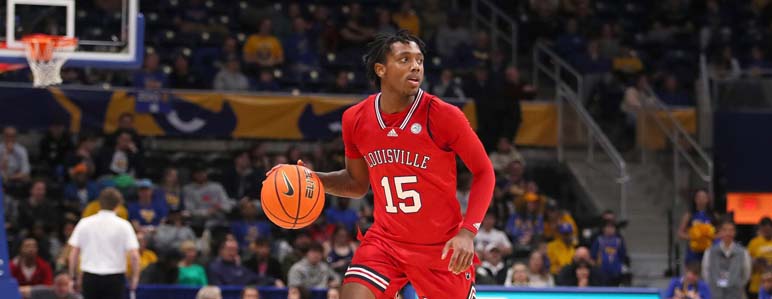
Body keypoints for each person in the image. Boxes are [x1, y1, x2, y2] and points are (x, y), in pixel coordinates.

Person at [270, 30, 495, 298]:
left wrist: (468, 233)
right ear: (381, 69)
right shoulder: (355, 119)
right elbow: (356, 184)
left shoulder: (444, 116)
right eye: (404, 59)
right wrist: (309, 178)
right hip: (386, 243)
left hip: (441, 247)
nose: (415, 66)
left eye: (420, 60)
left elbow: (485, 172)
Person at [68, 188, 140, 299]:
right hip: (115, 277)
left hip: (90, 276)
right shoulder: (124, 225)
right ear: (118, 204)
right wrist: (134, 278)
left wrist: (73, 277)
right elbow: (134, 256)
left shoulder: (84, 223)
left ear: (99, 203)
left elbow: (73, 253)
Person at [701, 220, 751, 299]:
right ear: (720, 232)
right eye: (724, 230)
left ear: (734, 232)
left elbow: (746, 274)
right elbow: (705, 273)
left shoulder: (743, 252)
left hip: (735, 293)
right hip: (715, 293)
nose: (728, 233)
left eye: (731, 230)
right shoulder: (709, 252)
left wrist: (736, 283)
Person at [679, 190, 718, 264]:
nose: (701, 199)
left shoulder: (714, 216)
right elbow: (680, 233)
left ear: (707, 199)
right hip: (693, 252)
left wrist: (709, 236)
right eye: (699, 197)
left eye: (703, 197)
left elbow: (720, 233)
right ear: (695, 199)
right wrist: (693, 236)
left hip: (709, 251)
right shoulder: (689, 215)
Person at [591, 221, 628, 286]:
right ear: (604, 229)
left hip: (615, 272)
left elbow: (622, 255)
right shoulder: (598, 240)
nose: (610, 230)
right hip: (601, 272)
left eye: (612, 228)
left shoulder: (619, 241)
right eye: (608, 227)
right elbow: (593, 256)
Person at [749, 217, 772, 298]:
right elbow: (747, 263)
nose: (767, 232)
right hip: (756, 286)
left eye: (769, 230)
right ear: (761, 229)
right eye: (764, 230)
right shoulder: (754, 243)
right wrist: (756, 262)